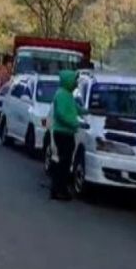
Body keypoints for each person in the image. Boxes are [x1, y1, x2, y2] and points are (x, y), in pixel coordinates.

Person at [50, 70, 83, 201]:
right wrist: (74, 123)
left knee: (65, 162)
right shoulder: (61, 95)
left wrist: (89, 111)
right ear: (69, 81)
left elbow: (76, 109)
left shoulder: (68, 95)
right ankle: (58, 190)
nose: (76, 83)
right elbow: (61, 114)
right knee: (63, 163)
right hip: (63, 132)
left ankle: (60, 189)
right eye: (75, 81)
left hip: (67, 133)